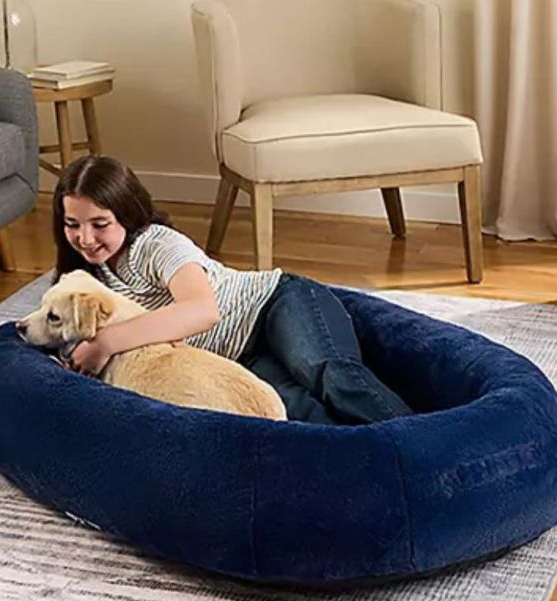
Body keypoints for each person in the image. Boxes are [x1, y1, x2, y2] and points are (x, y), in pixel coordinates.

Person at [51, 154, 413, 424]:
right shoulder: (88, 281)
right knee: (295, 412)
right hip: (236, 358)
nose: (85, 238)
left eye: (100, 224)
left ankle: (426, 446)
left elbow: (203, 310)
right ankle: (378, 465)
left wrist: (107, 342)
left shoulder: (156, 244)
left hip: (272, 306)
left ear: (126, 215)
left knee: (330, 375)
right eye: (72, 225)